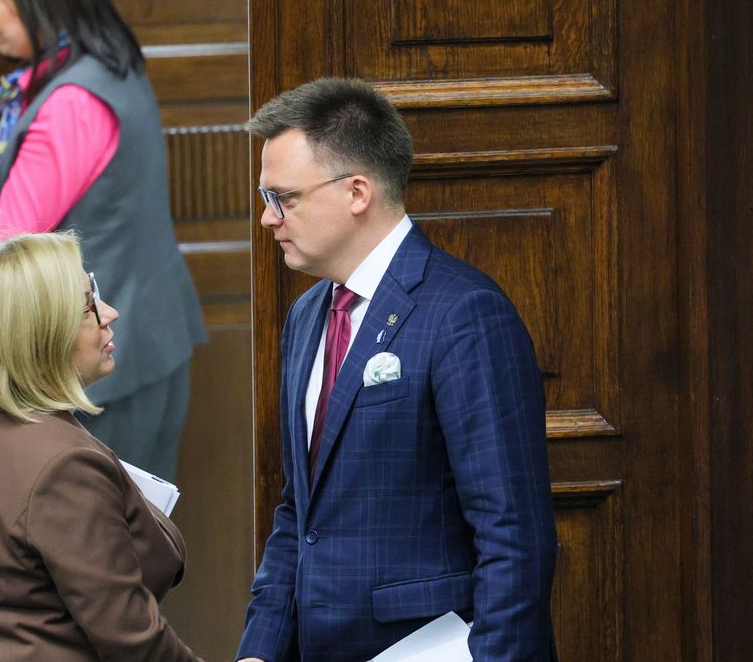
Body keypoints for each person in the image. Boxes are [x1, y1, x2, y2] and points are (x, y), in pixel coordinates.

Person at [236, 78, 558, 662]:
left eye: (283, 198)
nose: (267, 218)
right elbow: (299, 511)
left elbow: (513, 538)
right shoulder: (306, 317)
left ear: (356, 191)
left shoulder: (464, 312)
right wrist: (259, 650)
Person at [0, 0, 205, 480]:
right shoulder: (106, 64)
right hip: (135, 348)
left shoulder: (74, 100)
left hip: (109, 365)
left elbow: (8, 243)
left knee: (100, 521)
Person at [0, 232, 202, 659]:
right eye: (88, 305)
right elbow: (135, 642)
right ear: (42, 332)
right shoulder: (65, 466)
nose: (110, 313)